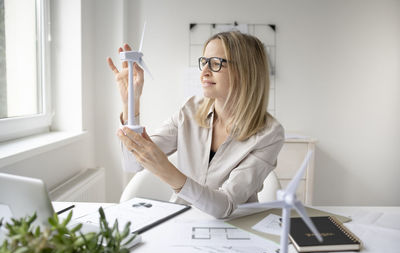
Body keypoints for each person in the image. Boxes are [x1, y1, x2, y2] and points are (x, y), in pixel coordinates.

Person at [107, 31, 284, 219]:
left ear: (246, 72)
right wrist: (130, 104)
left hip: (236, 228)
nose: (204, 72)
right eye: (204, 62)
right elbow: (133, 163)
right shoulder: (190, 110)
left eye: (215, 64)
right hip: (183, 220)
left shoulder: (269, 134)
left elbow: (225, 206)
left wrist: (165, 170)